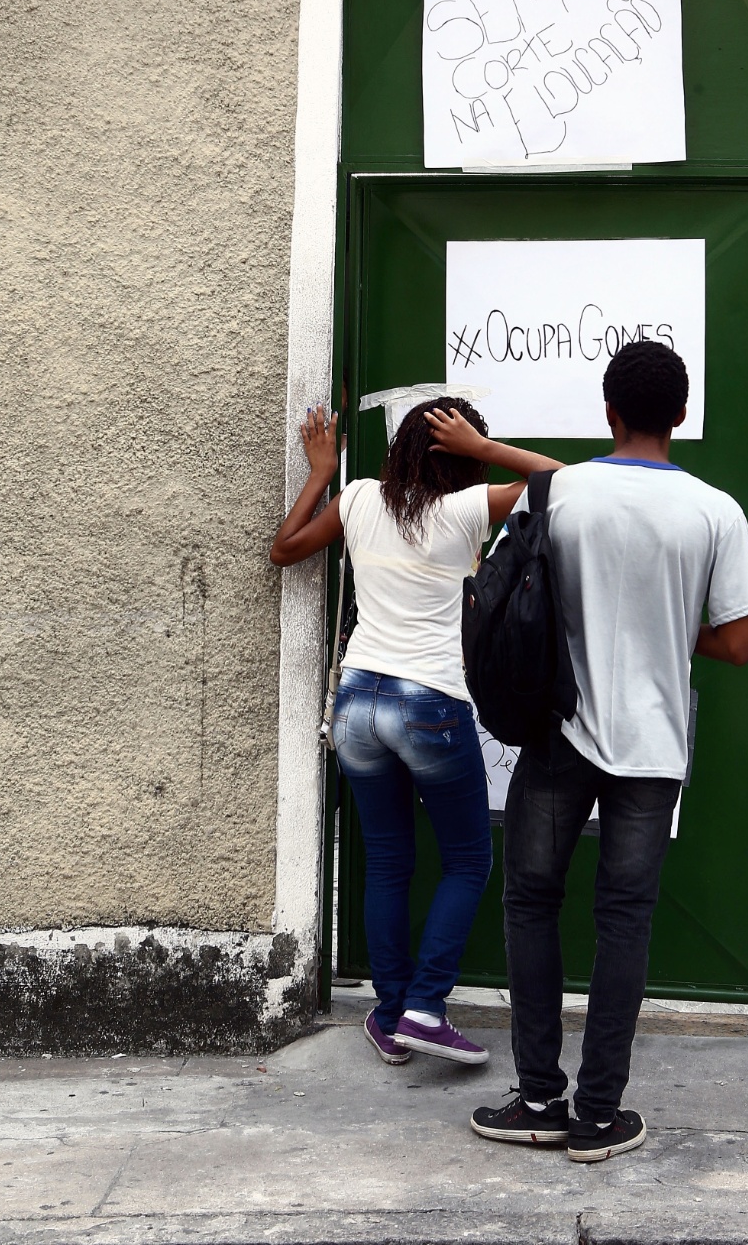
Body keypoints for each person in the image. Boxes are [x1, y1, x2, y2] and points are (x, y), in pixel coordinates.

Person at [466, 340, 748, 1162]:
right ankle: (597, 1116)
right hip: (653, 748)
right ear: (681, 415)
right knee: (624, 921)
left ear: (608, 412)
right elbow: (738, 644)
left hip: (559, 734)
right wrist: (666, 625)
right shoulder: (715, 511)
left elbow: (501, 597)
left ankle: (537, 1099)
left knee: (531, 903)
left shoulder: (555, 494)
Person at [270, 397, 558, 1067]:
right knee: (468, 860)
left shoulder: (358, 499)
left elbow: (284, 550)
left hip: (356, 703)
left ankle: (389, 1011)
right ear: (460, 455)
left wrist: (322, 473)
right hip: (428, 702)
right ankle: (425, 1009)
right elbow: (560, 480)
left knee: (388, 860)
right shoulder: (467, 508)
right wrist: (484, 450)